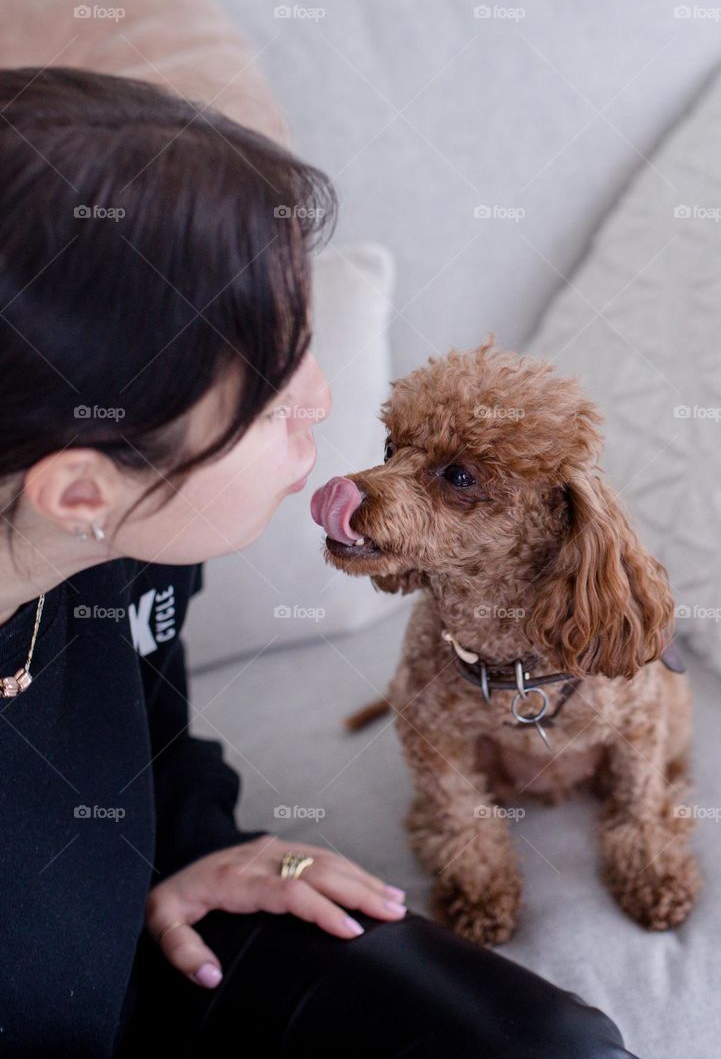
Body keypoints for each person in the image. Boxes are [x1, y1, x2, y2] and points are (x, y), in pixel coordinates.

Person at [0, 66, 638, 1059]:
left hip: (165, 944)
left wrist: (194, 845)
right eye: (269, 395)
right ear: (78, 486)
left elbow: (151, 752)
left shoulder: (124, 552)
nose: (324, 399)